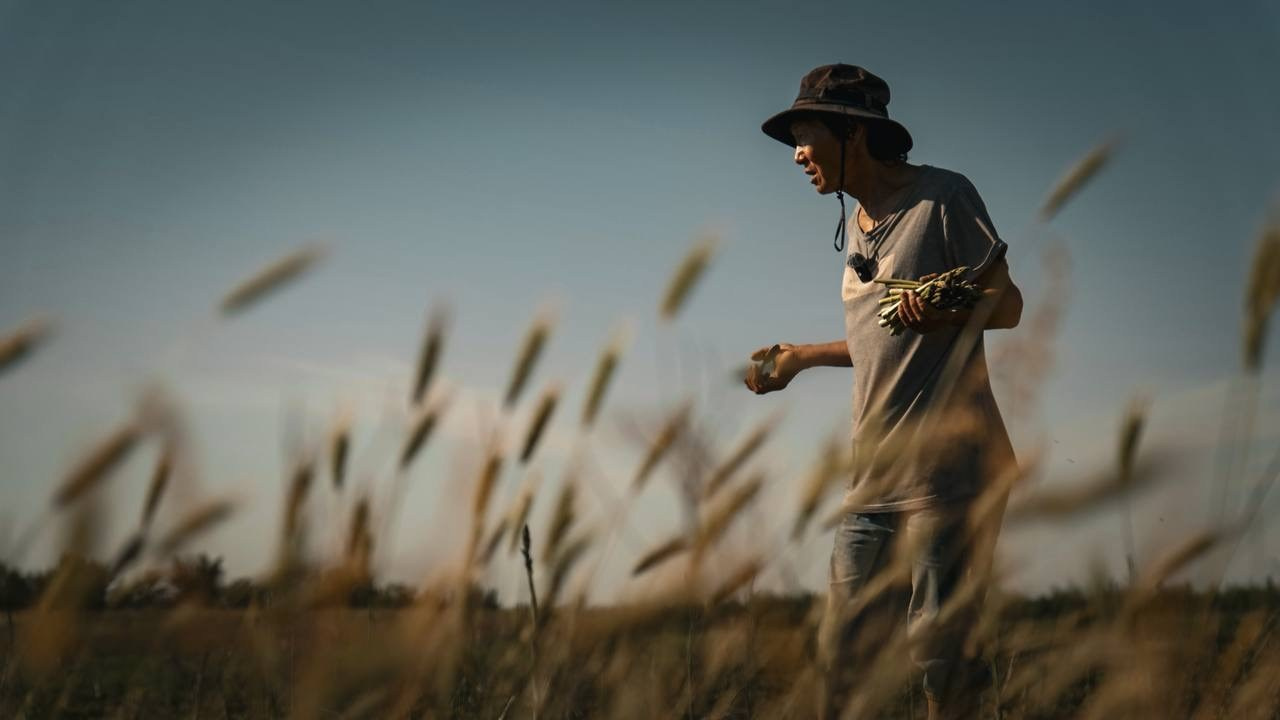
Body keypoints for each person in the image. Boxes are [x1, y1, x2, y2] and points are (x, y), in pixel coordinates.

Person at [745, 64, 1022, 720]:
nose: (798, 156)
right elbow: (882, 344)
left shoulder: (942, 200)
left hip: (950, 475)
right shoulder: (858, 233)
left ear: (853, 134)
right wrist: (803, 358)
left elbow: (1006, 304)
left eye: (806, 137)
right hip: (872, 483)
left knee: (942, 660)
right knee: (843, 659)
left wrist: (947, 310)